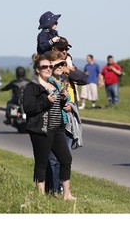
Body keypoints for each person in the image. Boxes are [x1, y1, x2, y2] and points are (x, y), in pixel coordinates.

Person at [23, 54, 76, 200]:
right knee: (41, 162)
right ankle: (40, 195)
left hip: (57, 129)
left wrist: (64, 104)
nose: (48, 69)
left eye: (50, 66)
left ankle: (67, 194)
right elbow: (28, 108)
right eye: (44, 67)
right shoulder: (32, 87)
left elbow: (56, 106)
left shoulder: (54, 85)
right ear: (37, 69)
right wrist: (46, 101)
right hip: (41, 130)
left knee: (66, 159)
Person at [45, 51, 84, 196]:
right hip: (52, 125)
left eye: (63, 63)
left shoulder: (63, 80)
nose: (62, 66)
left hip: (64, 123)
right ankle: (54, 190)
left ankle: (61, 190)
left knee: (64, 159)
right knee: (54, 160)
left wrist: (68, 105)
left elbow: (83, 78)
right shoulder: (47, 82)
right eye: (59, 64)